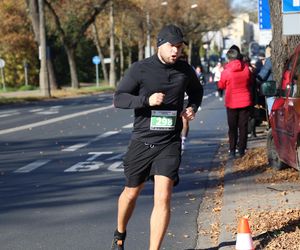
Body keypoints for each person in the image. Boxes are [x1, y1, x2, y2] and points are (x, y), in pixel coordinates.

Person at [112, 24, 203, 250]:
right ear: (160, 45)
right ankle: (120, 233)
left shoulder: (185, 70)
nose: (176, 51)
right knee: (131, 193)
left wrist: (192, 107)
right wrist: (146, 100)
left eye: (179, 47)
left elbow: (197, 92)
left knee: (163, 197)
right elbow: (119, 98)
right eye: (172, 46)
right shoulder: (140, 69)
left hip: (169, 142)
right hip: (142, 141)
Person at [218, 45, 252, 159]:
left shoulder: (226, 71)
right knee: (243, 126)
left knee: (232, 127)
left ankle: (232, 150)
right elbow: (249, 81)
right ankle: (242, 150)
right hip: (245, 101)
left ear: (229, 58)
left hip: (232, 102)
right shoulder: (246, 68)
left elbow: (221, 85)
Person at [257, 44, 274, 116]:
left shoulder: (269, 60)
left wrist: (256, 81)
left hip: (271, 89)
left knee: (272, 108)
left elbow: (262, 75)